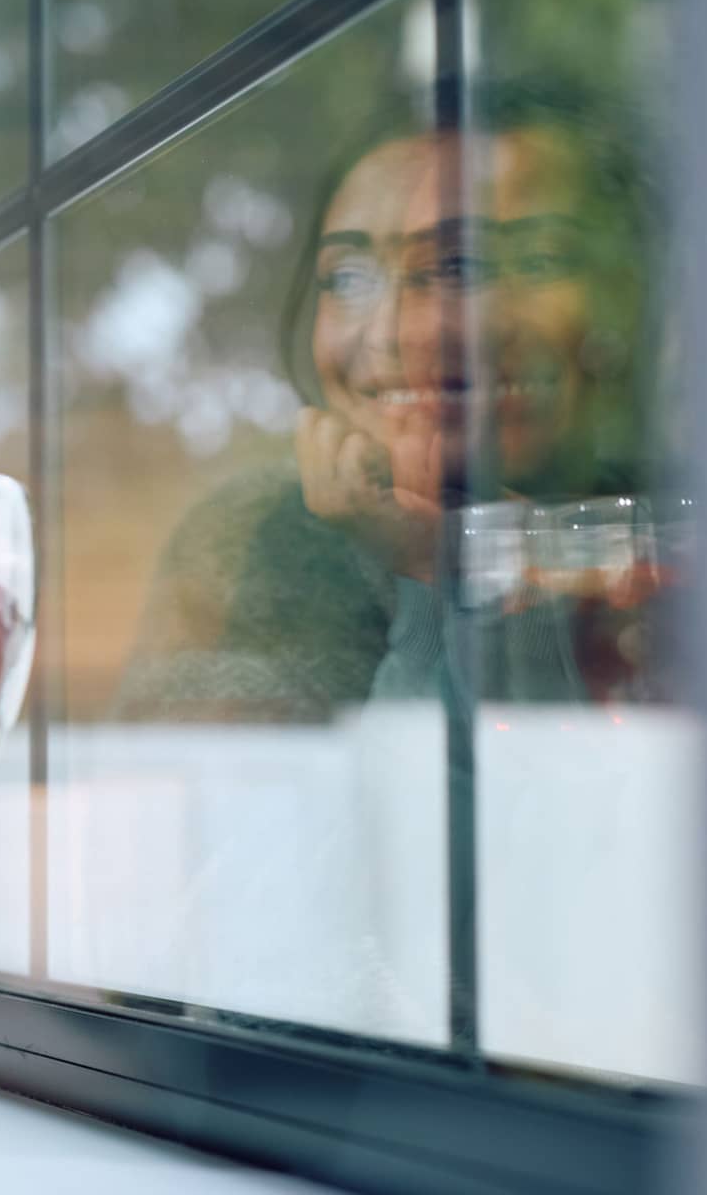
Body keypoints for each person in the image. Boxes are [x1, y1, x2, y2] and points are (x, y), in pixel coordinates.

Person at [114, 81, 670, 723]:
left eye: (464, 267)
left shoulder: (686, 536)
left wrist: (482, 569)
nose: (388, 334)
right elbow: (249, 806)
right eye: (347, 278)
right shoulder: (267, 539)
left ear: (623, 300)